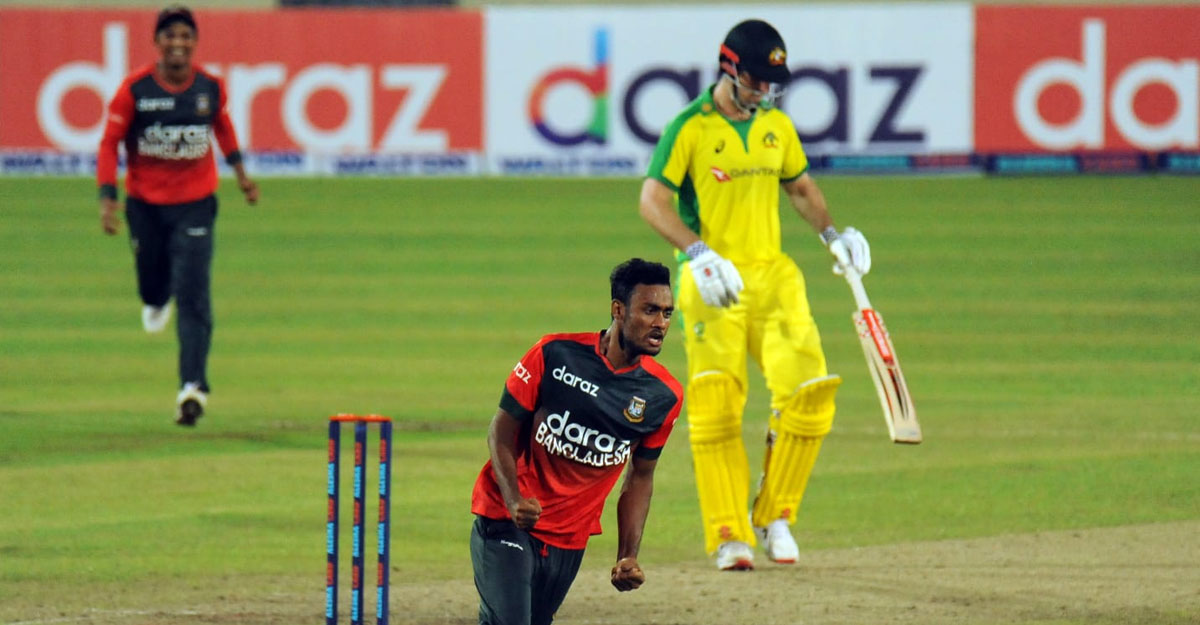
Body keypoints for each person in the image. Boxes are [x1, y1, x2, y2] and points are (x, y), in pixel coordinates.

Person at [637, 19, 872, 571]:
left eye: (773, 82)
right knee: (716, 404)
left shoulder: (776, 126)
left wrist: (833, 237)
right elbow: (652, 201)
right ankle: (729, 534)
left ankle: (775, 515)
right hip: (711, 280)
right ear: (730, 68)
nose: (766, 91)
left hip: (774, 277)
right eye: (757, 80)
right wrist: (699, 253)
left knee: (810, 394)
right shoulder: (689, 128)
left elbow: (801, 188)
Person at [470, 258, 683, 625]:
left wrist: (627, 555)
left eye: (667, 313)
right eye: (650, 310)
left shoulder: (664, 395)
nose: (660, 323)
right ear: (618, 310)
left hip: (569, 540)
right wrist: (514, 499)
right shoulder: (555, 354)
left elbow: (640, 476)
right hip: (508, 520)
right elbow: (500, 430)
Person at [96, 5, 259, 426]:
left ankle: (193, 389)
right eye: (170, 36)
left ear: (195, 42)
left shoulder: (209, 87)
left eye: (186, 36)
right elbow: (109, 143)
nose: (178, 43)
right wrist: (107, 196)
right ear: (157, 43)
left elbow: (222, 127)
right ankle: (156, 297)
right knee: (153, 290)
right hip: (146, 205)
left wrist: (241, 173)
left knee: (193, 294)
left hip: (195, 203)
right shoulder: (135, 90)